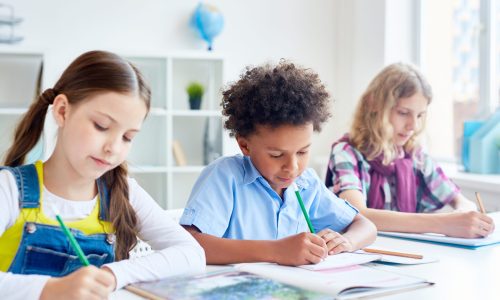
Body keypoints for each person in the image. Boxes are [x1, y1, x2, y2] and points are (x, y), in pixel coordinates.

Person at [0, 50, 205, 300]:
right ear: (63, 111)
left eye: (127, 137)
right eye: (101, 126)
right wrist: (50, 290)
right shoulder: (9, 189)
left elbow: (192, 254)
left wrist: (111, 274)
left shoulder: (123, 192)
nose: (114, 148)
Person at [180, 61, 376, 266]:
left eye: (302, 152)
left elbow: (365, 226)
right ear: (245, 145)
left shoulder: (307, 184)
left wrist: (347, 241)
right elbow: (190, 244)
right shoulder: (225, 177)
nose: (292, 167)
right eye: (276, 155)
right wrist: (276, 251)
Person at [325, 62, 495, 239]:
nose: (413, 125)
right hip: (361, 254)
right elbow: (358, 214)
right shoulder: (346, 152)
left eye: (420, 115)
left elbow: (460, 200)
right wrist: (445, 223)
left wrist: (466, 214)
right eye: (403, 112)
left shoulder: (415, 156)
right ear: (373, 104)